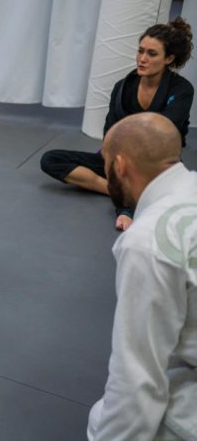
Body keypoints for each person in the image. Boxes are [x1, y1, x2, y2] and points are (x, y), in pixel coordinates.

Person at [87, 112, 197, 440]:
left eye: (106, 164)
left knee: (101, 419)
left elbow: (136, 379)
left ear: (120, 165)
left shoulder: (147, 241)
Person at [41, 18, 194, 231]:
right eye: (140, 51)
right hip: (120, 160)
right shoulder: (122, 87)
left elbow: (163, 131)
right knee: (51, 160)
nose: (142, 59)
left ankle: (128, 202)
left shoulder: (182, 89)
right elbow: (110, 132)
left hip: (156, 163)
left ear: (169, 58)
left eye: (152, 54)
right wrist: (116, 160)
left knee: (181, 193)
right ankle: (119, 191)